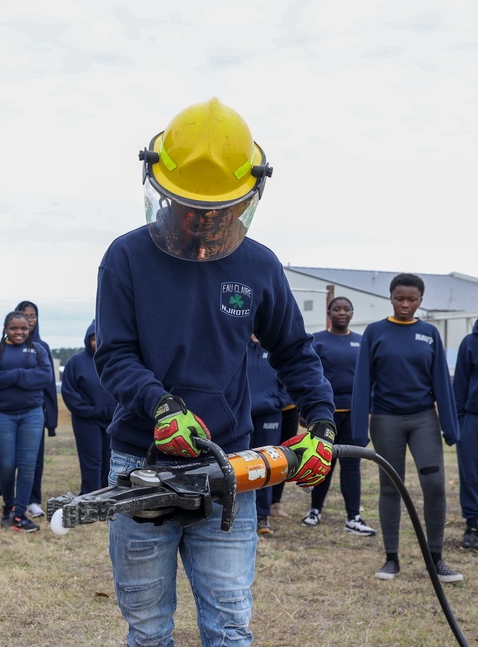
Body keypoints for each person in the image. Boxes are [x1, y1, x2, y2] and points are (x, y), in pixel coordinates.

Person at [94, 98, 336, 646]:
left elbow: (294, 351)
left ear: (246, 199)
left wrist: (320, 421)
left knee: (229, 624)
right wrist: (159, 405)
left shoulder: (259, 265)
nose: (202, 219)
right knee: (149, 627)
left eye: (217, 209)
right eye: (187, 207)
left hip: (230, 468)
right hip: (142, 463)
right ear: (159, 188)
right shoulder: (126, 257)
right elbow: (114, 354)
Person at [353, 273, 461, 582]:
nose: (405, 304)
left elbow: (441, 379)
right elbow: (363, 381)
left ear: (420, 301)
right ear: (390, 297)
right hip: (386, 420)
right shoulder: (375, 332)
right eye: (400, 299)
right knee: (390, 486)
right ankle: (391, 559)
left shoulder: (429, 333)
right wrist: (360, 432)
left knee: (436, 486)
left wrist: (449, 428)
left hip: (423, 419)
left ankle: (436, 559)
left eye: (412, 300)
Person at [301, 297, 375, 536]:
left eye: (346, 309)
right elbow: (307, 376)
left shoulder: (361, 342)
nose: (341, 312)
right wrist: (305, 410)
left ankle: (354, 517)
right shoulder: (318, 341)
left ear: (352, 313)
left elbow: (369, 377)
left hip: (354, 414)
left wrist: (367, 409)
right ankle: (314, 510)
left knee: (352, 465)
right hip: (326, 415)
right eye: (337, 309)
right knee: (324, 463)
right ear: (329, 313)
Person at [0, 311, 55, 532]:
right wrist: (21, 376)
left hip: (32, 414)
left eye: (23, 328)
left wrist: (12, 377)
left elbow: (45, 377)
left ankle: (19, 515)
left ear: (29, 328)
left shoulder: (38, 350)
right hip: (3, 415)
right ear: (5, 328)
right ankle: (8, 507)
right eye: (14, 328)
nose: (19, 332)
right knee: (6, 464)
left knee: (28, 465)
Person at [61, 320, 115, 494]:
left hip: (111, 420)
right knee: (92, 461)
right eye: (93, 339)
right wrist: (92, 411)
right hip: (86, 421)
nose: (96, 342)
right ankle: (90, 496)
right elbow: (69, 393)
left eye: (100, 338)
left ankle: (105, 495)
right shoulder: (76, 362)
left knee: (110, 459)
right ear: (87, 340)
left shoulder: (113, 361)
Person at [245, 336, 288, 536]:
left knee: (266, 463)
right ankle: (238, 514)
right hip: (240, 416)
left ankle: (262, 515)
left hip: (270, 416)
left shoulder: (277, 347)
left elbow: (289, 384)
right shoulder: (237, 345)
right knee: (239, 463)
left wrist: (272, 403)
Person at [454, 319, 478, 549]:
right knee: (471, 474)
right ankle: (473, 525)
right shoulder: (470, 343)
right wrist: (459, 423)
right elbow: (459, 387)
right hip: (473, 419)